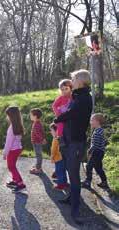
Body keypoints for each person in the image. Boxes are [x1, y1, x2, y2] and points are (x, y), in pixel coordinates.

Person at [54, 69, 93, 225]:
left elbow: (71, 114)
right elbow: (70, 113)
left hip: (76, 143)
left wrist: (58, 120)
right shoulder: (78, 96)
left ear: (81, 81)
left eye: (74, 79)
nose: (72, 81)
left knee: (75, 177)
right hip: (70, 141)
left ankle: (75, 210)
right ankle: (71, 199)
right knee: (71, 172)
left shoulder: (84, 98)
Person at [51, 79, 72, 178]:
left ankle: (62, 170)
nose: (64, 91)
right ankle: (59, 170)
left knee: (66, 152)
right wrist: (59, 112)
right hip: (61, 125)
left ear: (70, 88)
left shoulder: (73, 97)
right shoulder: (60, 98)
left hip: (70, 126)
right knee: (60, 148)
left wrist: (66, 110)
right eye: (62, 89)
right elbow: (54, 106)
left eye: (66, 89)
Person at [81, 113, 109, 189]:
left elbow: (95, 145)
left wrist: (89, 151)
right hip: (100, 152)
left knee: (88, 166)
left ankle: (88, 182)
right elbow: (104, 142)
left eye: (92, 120)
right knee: (98, 167)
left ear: (97, 121)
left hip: (97, 152)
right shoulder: (100, 130)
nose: (90, 122)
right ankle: (104, 182)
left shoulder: (97, 132)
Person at [2, 106, 26, 193]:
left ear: (11, 116)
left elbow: (9, 143)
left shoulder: (12, 128)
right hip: (17, 149)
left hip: (12, 150)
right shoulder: (18, 125)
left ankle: (20, 184)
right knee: (12, 166)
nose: (7, 117)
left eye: (8, 115)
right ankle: (15, 180)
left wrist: (5, 153)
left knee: (11, 167)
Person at [49, 123, 69, 190]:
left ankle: (60, 185)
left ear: (57, 130)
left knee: (59, 171)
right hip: (62, 157)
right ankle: (65, 183)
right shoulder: (61, 138)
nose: (50, 132)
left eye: (52, 130)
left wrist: (52, 158)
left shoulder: (55, 139)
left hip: (58, 158)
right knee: (63, 171)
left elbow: (53, 150)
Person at [29, 108, 46, 174]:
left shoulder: (37, 124)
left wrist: (42, 139)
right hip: (36, 142)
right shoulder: (37, 123)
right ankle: (38, 166)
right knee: (38, 154)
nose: (30, 116)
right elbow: (41, 132)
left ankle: (38, 169)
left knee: (38, 155)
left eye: (31, 115)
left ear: (35, 116)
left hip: (37, 142)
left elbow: (38, 133)